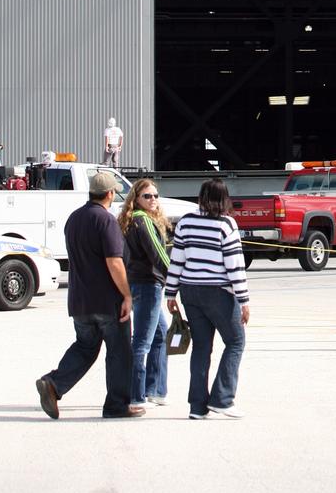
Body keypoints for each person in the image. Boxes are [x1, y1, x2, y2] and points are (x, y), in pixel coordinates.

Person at [35, 170, 142, 420]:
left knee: (85, 347)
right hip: (107, 301)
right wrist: (127, 296)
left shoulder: (74, 219)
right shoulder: (105, 220)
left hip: (80, 300)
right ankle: (116, 405)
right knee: (119, 352)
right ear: (110, 194)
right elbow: (114, 262)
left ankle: (53, 383)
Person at [165, 178, 250, 419]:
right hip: (219, 292)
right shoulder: (226, 224)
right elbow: (235, 266)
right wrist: (244, 301)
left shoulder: (186, 221)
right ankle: (222, 399)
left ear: (201, 196)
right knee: (235, 342)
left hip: (190, 291)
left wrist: (170, 292)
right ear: (224, 198)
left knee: (201, 347)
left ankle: (197, 406)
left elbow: (177, 259)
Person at [119, 177, 171, 408]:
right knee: (142, 342)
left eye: (156, 196)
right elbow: (157, 253)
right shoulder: (142, 221)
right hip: (148, 285)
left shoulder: (131, 221)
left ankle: (155, 390)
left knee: (160, 334)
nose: (153, 200)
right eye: (147, 196)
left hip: (140, 284)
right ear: (136, 199)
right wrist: (175, 277)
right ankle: (137, 396)